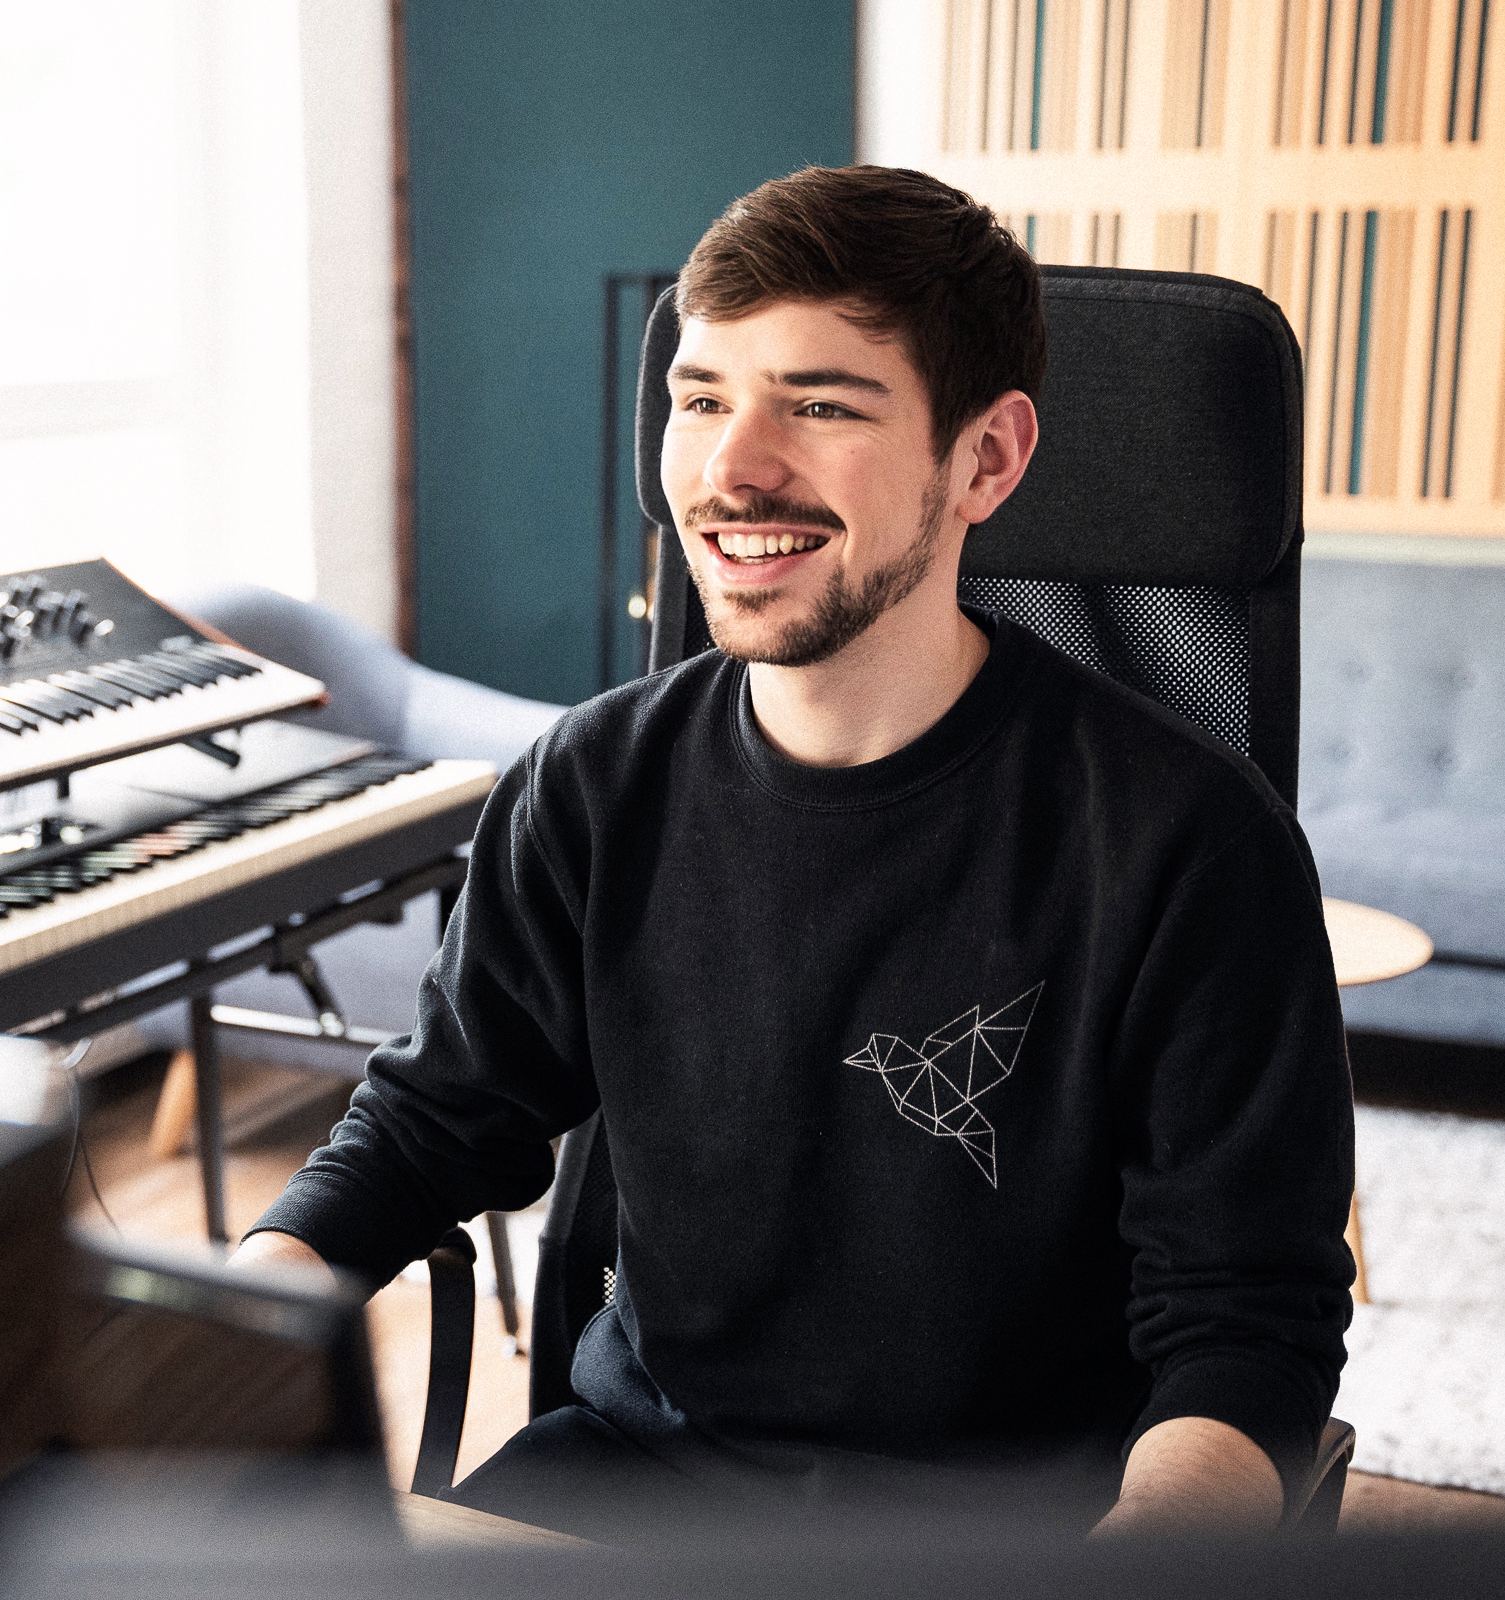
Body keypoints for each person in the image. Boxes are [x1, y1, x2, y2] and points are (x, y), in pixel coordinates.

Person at [232, 164, 1354, 1539]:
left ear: (986, 460)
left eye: (819, 405)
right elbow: (426, 1128)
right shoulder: (589, 785)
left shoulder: (1190, 843)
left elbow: (1249, 1326)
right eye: (702, 398)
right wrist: (227, 1315)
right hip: (638, 1489)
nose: (729, 468)